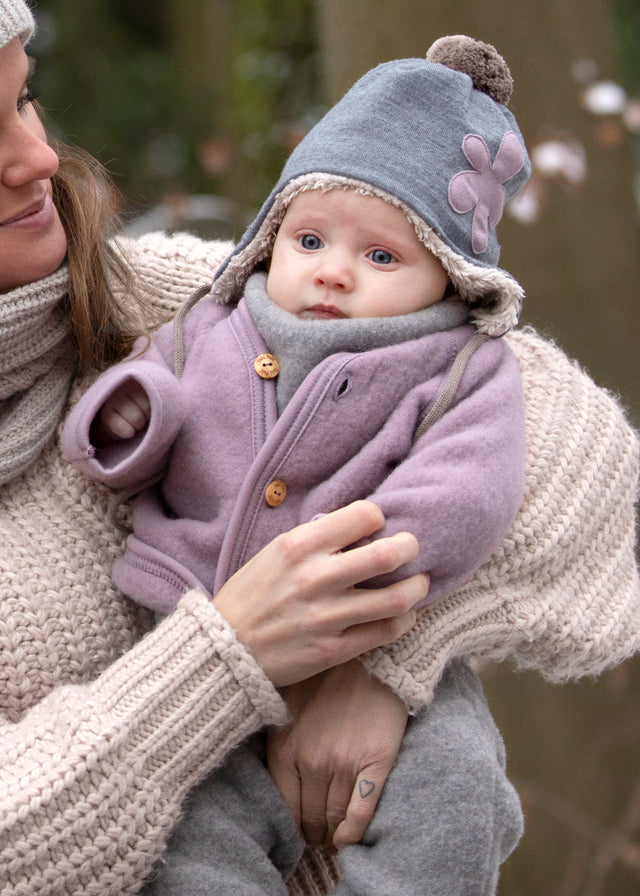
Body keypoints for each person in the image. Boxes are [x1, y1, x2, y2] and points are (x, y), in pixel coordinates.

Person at [60, 32, 640, 896]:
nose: (333, 273)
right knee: (190, 828)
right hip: (196, 620)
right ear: (270, 235)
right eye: (310, 240)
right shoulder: (210, 322)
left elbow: (469, 486)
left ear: (449, 278)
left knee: (460, 783)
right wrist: (128, 418)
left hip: (371, 634)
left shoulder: (454, 368)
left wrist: (367, 581)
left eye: (380, 257)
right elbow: (128, 417)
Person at [0, 5, 489, 894]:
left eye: (23, 98)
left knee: (461, 794)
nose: (35, 156)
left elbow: (553, 435)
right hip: (201, 811)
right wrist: (228, 658)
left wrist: (379, 659)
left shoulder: (185, 295)